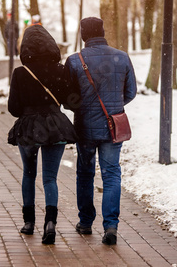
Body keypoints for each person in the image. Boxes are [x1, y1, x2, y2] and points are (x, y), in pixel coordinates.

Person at [64, 17, 137, 245]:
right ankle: (111, 226)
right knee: (112, 174)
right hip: (112, 126)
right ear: (103, 32)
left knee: (85, 174)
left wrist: (83, 107)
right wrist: (114, 105)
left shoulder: (75, 61)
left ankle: (85, 222)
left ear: (84, 34)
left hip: (84, 128)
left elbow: (69, 99)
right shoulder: (122, 57)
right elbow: (131, 91)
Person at [7, 25, 78, 244]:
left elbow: (14, 109)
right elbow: (70, 100)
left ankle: (29, 223)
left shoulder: (21, 72)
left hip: (28, 128)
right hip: (56, 125)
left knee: (29, 174)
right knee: (50, 178)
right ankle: (50, 223)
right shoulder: (60, 69)